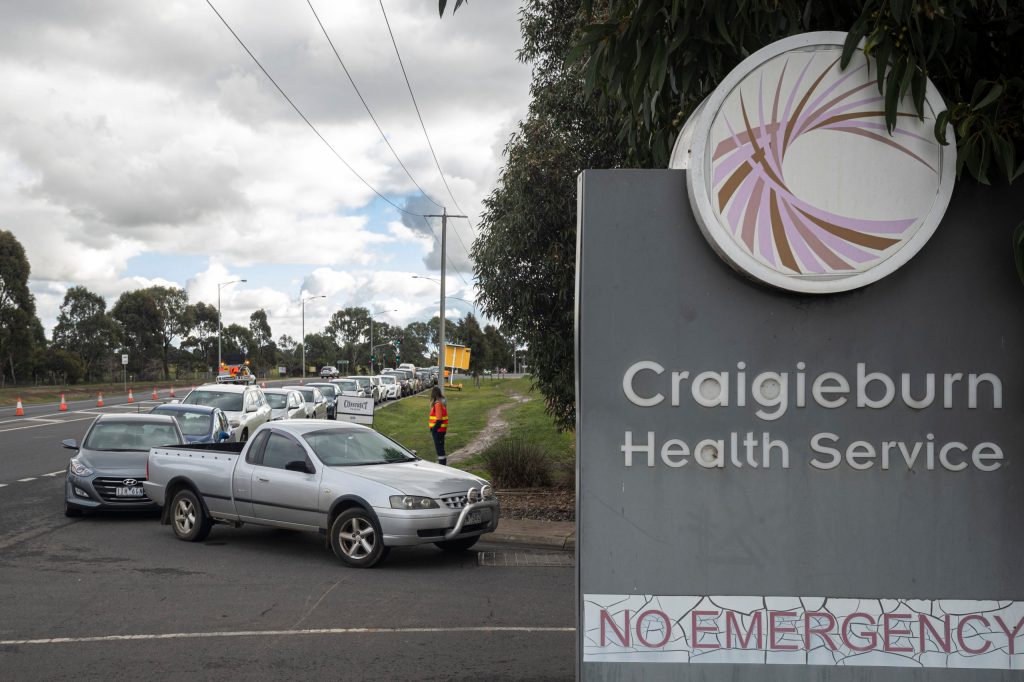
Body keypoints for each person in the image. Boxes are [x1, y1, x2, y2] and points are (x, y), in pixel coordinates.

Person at [428, 386, 448, 465]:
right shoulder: (441, 403)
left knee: (440, 450)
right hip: (441, 430)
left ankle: (442, 466)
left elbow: (439, 420)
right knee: (441, 449)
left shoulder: (437, 404)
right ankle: (442, 465)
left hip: (438, 430)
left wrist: (433, 429)